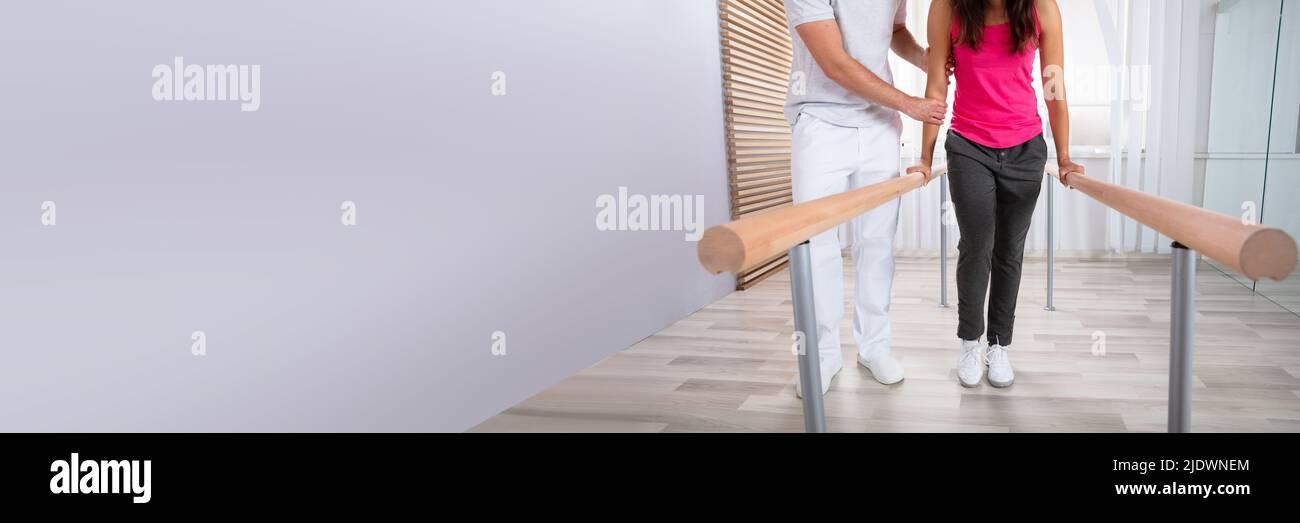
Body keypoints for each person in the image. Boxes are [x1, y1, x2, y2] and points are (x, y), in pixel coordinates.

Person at [910, 0, 1084, 388]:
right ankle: (970, 341)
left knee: (1010, 249)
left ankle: (999, 344)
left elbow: (1053, 86)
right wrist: (923, 156)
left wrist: (1066, 156)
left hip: (1026, 148)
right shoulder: (946, 8)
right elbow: (937, 84)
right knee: (977, 245)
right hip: (969, 145)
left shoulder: (1042, 8)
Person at [784, 0, 944, 397]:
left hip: (878, 126)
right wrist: (910, 103)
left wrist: (923, 58)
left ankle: (874, 346)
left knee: (876, 244)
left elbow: (893, 31)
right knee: (816, 244)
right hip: (821, 121)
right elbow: (833, 62)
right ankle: (821, 354)